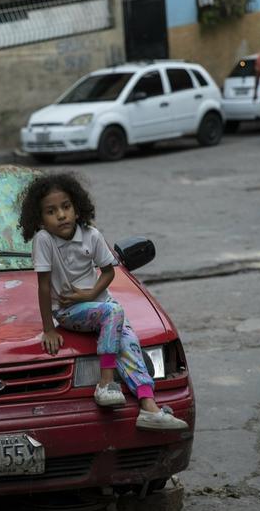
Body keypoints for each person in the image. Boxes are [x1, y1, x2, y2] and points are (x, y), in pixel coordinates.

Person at [18, 172, 188, 431]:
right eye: (51, 211)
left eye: (66, 207)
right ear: (40, 218)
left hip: (101, 308)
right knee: (114, 313)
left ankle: (149, 407)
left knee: (129, 344)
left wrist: (89, 294)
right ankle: (106, 383)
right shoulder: (44, 240)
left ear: (77, 207)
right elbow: (43, 286)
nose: (61, 215)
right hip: (68, 311)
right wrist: (48, 328)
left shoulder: (91, 235)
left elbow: (108, 272)